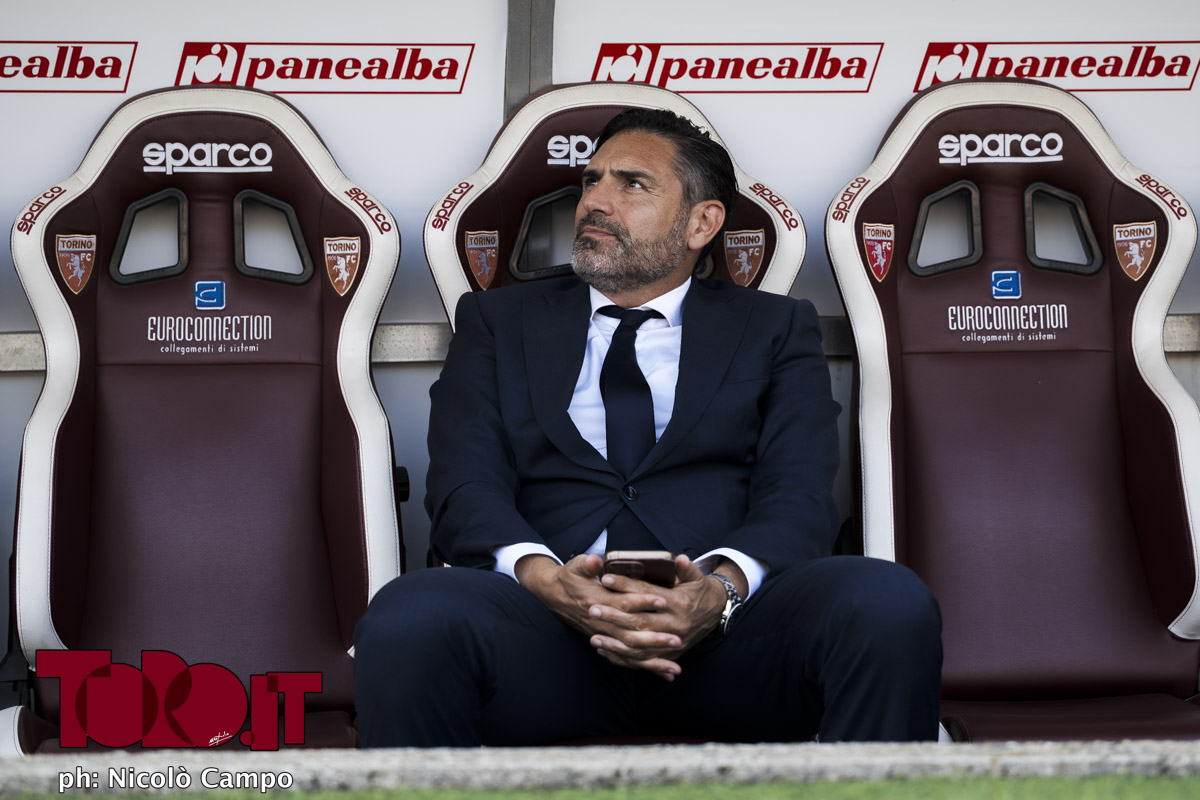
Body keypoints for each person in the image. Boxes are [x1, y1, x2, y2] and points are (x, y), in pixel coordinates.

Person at [354, 108, 942, 746]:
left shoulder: (774, 327)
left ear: (701, 223)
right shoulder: (498, 321)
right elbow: (464, 486)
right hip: (544, 636)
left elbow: (798, 495)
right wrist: (551, 583)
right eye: (591, 181)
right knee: (409, 614)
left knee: (886, 601)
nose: (595, 201)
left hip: (729, 643)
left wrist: (717, 592)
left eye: (632, 184)